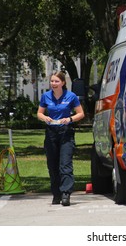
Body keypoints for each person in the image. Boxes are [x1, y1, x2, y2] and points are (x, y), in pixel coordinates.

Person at [37, 71, 85, 206]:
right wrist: (45, 117)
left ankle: (66, 193)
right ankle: (56, 194)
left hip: (66, 132)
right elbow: (39, 113)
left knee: (65, 164)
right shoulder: (46, 96)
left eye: (56, 81)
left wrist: (69, 119)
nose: (53, 84)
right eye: (52, 81)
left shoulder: (71, 96)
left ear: (63, 83)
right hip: (51, 132)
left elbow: (80, 114)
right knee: (52, 165)